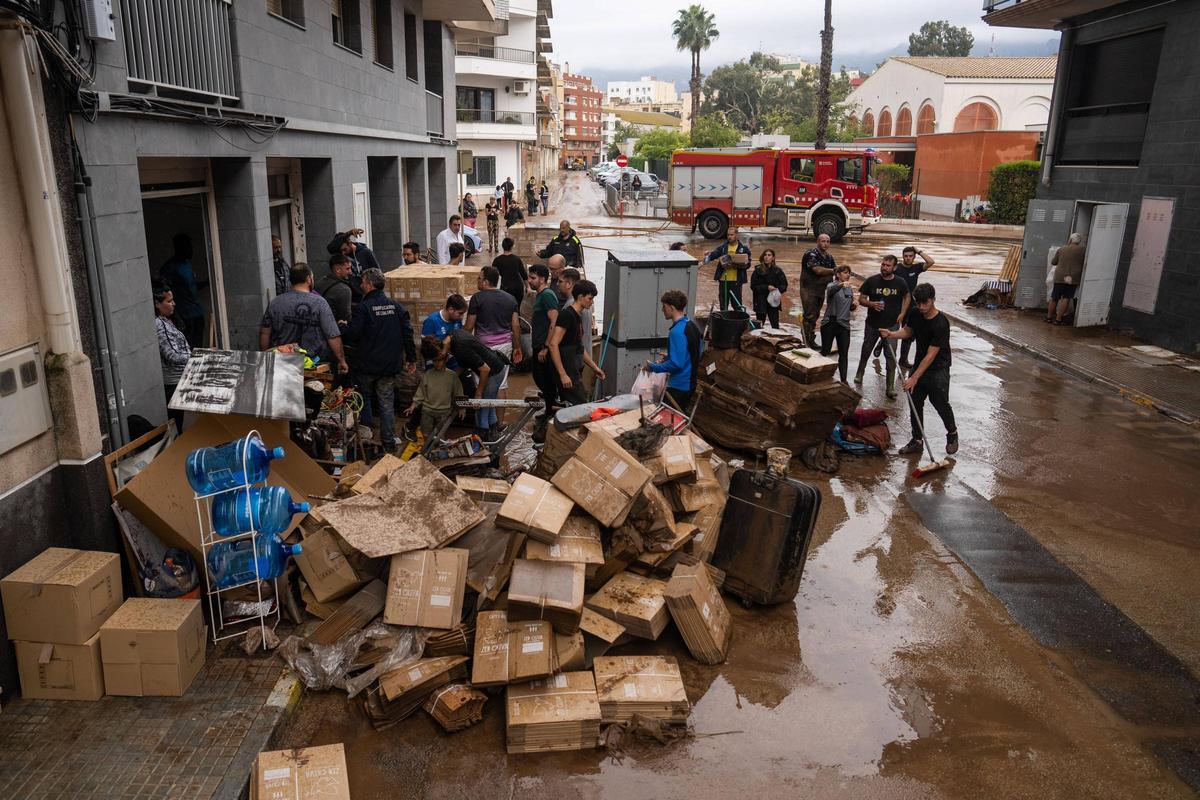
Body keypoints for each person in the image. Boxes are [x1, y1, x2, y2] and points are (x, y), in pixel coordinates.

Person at [880, 283, 958, 456]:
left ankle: (952, 433)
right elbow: (908, 331)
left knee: (940, 402)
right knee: (915, 401)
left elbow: (931, 354)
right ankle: (917, 440)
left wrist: (914, 377)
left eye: (925, 303)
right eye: (919, 303)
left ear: (933, 300)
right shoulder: (916, 312)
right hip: (920, 363)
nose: (922, 307)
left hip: (938, 368)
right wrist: (892, 334)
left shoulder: (941, 323)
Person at [343, 268, 416, 452]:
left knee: (364, 398)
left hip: (367, 366)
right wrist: (411, 358)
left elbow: (353, 334)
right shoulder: (396, 307)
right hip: (389, 366)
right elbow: (408, 333)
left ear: (370, 284)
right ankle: (388, 442)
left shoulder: (364, 308)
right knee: (386, 403)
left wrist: (342, 328)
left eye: (362, 282)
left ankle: (367, 437)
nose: (360, 285)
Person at [260, 265, 348, 374]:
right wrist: (342, 360)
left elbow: (265, 333)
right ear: (308, 279)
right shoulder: (320, 303)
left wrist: (265, 357)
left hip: (283, 363)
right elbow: (332, 336)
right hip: (314, 364)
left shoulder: (275, 302)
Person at [466, 266, 523, 430]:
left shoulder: (477, 299)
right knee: (501, 384)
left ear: (485, 281)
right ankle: (499, 423)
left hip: (482, 347)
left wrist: (459, 342)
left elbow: (469, 327)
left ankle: (482, 426)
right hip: (504, 347)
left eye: (478, 278)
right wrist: (517, 347)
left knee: (481, 385)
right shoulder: (510, 299)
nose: (477, 281)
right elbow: (516, 326)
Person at [854, 254, 910, 399]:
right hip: (873, 324)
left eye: (888, 265)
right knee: (866, 349)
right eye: (883, 264)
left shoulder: (900, 282)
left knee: (891, 356)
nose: (884, 268)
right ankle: (860, 372)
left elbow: (907, 296)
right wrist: (871, 304)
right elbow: (861, 299)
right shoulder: (872, 281)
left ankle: (890, 387)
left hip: (892, 326)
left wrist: (903, 312)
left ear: (894, 267)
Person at [876, 245, 936, 368]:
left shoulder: (917, 267)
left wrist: (919, 251)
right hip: (896, 303)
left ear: (914, 257)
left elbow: (930, 262)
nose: (908, 258)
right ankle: (881, 343)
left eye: (910, 256)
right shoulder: (897, 268)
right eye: (906, 256)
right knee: (892, 328)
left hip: (911, 305)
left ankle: (903, 359)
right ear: (902, 257)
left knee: (909, 332)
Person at [549, 279, 605, 406]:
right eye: (590, 298)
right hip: (566, 369)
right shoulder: (567, 315)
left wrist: (595, 368)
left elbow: (579, 347)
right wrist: (562, 374)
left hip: (574, 368)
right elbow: (553, 344)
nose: (592, 302)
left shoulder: (577, 316)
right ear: (580, 297)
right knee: (581, 405)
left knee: (579, 404)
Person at [644, 290, 702, 411]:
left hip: (679, 386)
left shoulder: (677, 332)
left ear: (671, 307)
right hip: (690, 382)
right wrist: (670, 356)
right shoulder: (691, 325)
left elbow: (677, 364)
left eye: (664, 307)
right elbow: (694, 352)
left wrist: (653, 367)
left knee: (666, 422)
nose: (662, 310)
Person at [445, 327, 509, 438]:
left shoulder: (460, 347)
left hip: (494, 372)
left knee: (482, 408)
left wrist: (478, 393)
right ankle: (493, 436)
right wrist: (450, 378)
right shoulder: (453, 336)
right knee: (489, 406)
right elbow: (463, 365)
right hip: (497, 367)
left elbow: (485, 369)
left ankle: (483, 437)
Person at [408, 337, 466, 443]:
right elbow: (421, 391)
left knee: (440, 434)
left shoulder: (452, 376)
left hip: (444, 412)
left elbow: (458, 392)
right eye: (435, 361)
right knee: (425, 432)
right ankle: (428, 450)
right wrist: (414, 404)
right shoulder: (428, 375)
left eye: (440, 360)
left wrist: (461, 407)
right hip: (427, 411)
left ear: (446, 359)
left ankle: (439, 451)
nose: (438, 363)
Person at [153, 284, 191, 432]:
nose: (173, 304)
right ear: (157, 304)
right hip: (174, 384)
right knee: (179, 426)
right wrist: (197, 355)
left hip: (180, 380)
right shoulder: (159, 324)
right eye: (169, 301)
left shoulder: (167, 320)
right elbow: (172, 355)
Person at [527, 264, 560, 427]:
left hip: (543, 346)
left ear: (542, 279)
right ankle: (549, 410)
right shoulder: (540, 295)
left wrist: (546, 347)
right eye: (529, 277)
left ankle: (551, 412)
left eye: (533, 278)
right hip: (538, 343)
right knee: (541, 379)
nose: (529, 281)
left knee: (545, 380)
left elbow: (554, 321)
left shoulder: (547, 295)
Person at [158, 233, 205, 348]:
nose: (191, 250)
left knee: (199, 347)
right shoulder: (171, 267)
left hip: (197, 314)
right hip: (185, 316)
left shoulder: (187, 264)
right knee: (189, 347)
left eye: (191, 246)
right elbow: (163, 288)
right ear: (179, 248)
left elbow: (191, 287)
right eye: (188, 247)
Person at [820, 266, 857, 383]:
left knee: (844, 353)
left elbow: (849, 306)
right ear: (838, 275)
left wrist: (854, 304)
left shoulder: (849, 289)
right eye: (845, 273)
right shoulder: (831, 285)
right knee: (825, 351)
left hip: (844, 325)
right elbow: (831, 291)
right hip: (830, 323)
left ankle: (844, 380)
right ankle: (820, 375)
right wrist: (841, 285)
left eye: (849, 273)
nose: (848, 275)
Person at [799, 233, 837, 347]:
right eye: (823, 241)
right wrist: (834, 271)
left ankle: (811, 340)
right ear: (818, 242)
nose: (825, 244)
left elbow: (836, 273)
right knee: (809, 316)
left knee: (815, 316)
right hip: (808, 290)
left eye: (828, 241)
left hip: (820, 290)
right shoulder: (811, 254)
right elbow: (818, 271)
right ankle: (806, 342)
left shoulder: (829, 257)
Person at [702, 226, 751, 311]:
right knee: (723, 304)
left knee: (737, 305)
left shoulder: (744, 249)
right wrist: (708, 257)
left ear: (737, 235)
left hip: (736, 281)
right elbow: (715, 254)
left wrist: (741, 265)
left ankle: (737, 322)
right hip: (723, 280)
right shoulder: (723, 247)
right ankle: (724, 321)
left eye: (731, 235)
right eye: (728, 235)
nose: (729, 237)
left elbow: (748, 263)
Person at [1048, 232, 1085, 325]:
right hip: (1072, 278)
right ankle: (1058, 319)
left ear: (1070, 240)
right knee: (1066, 298)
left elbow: (1053, 262)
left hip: (1060, 276)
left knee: (1055, 297)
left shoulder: (1062, 249)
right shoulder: (1083, 250)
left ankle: (1048, 317)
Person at [750, 248, 788, 328]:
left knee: (775, 324)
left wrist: (776, 290)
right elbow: (753, 286)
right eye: (765, 255)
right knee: (759, 325)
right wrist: (766, 287)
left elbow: (784, 285)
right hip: (760, 300)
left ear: (773, 258)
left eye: (769, 255)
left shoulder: (778, 271)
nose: (766, 257)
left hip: (773, 300)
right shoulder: (757, 271)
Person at [315, 253, 355, 327]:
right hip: (334, 330)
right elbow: (346, 319)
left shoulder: (320, 282)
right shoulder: (344, 290)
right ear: (337, 270)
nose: (350, 272)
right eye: (347, 268)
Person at [492, 238, 528, 306]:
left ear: (503, 246)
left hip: (506, 287)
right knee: (516, 308)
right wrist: (527, 287)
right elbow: (524, 274)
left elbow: (492, 275)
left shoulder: (497, 260)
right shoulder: (517, 259)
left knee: (506, 308)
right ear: (511, 247)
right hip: (518, 287)